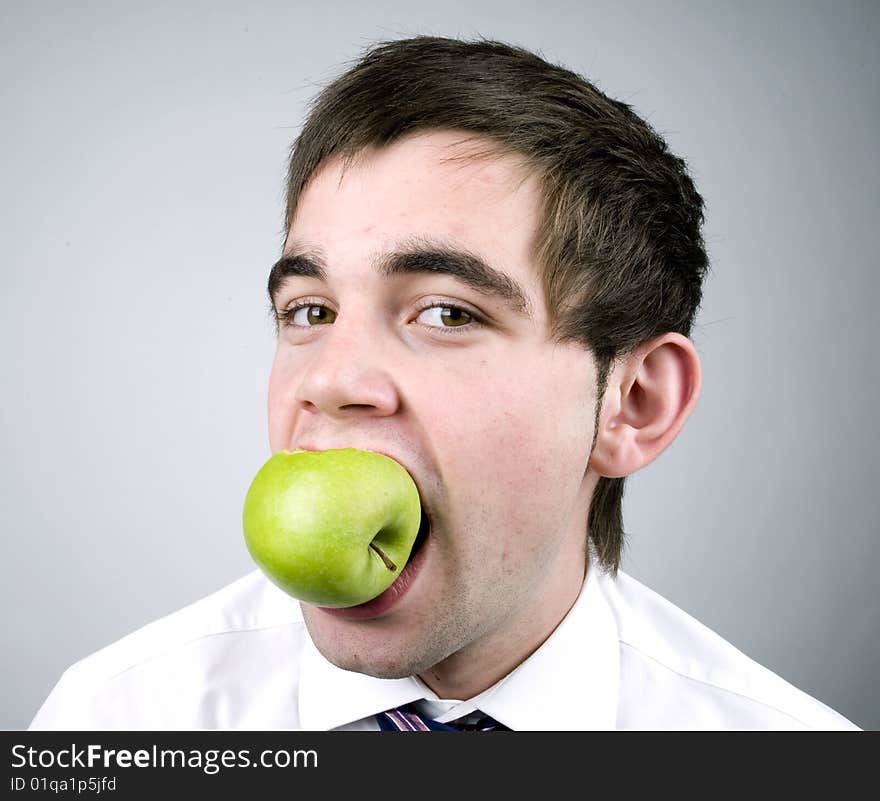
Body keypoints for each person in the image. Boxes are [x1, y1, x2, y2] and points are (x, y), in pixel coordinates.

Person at [30, 36, 857, 731]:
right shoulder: (114, 719)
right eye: (310, 310)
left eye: (448, 313)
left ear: (633, 404)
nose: (331, 379)